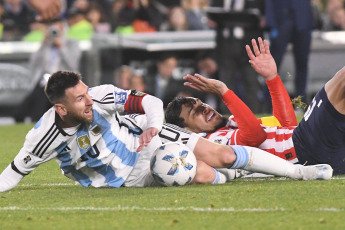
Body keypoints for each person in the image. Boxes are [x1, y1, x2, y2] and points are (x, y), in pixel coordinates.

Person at [0, 70, 332, 192]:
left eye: (86, 92)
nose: (89, 101)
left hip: (146, 139)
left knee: (223, 154)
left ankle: (301, 173)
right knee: (200, 174)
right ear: (61, 108)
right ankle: (240, 177)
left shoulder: (99, 96)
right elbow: (13, 173)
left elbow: (151, 102)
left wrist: (154, 128)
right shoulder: (41, 138)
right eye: (79, 99)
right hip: (125, 179)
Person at [165, 37, 345, 175]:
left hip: (321, 153)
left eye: (201, 103)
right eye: (195, 111)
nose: (204, 108)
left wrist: (272, 78)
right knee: (341, 80)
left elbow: (287, 126)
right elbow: (254, 136)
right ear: (188, 130)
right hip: (306, 149)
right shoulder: (213, 143)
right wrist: (224, 92)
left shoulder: (232, 123)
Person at [14, 17, 82, 122]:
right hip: (44, 81)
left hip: (62, 82)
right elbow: (34, 62)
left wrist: (61, 46)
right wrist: (44, 43)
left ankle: (38, 121)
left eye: (57, 24)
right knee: (21, 112)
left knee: (40, 106)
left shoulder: (71, 42)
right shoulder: (47, 44)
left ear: (63, 27)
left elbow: (73, 63)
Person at [208, 0, 265, 114]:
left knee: (251, 82)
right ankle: (227, 118)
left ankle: (255, 117)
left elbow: (261, 19)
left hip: (248, 45)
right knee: (225, 83)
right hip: (225, 45)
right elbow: (212, 18)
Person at [265, 0, 314, 107]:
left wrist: (310, 23)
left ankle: (300, 103)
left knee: (302, 65)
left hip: (302, 23)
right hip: (281, 22)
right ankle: (270, 104)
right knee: (273, 66)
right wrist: (271, 23)